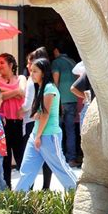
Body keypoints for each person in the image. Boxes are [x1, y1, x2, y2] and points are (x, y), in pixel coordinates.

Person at [15, 58, 77, 192]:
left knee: (60, 168)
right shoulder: (42, 87)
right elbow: (41, 113)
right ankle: (17, 200)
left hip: (48, 136)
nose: (31, 74)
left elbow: (45, 114)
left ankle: (78, 194)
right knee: (26, 170)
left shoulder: (49, 88)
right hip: (37, 136)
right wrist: (36, 133)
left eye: (35, 71)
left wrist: (37, 136)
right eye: (31, 71)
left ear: (43, 72)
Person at [20, 47, 53, 189]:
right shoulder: (47, 84)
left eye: (29, 63)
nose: (28, 66)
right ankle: (45, 187)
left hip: (32, 122)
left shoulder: (32, 81)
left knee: (31, 157)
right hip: (41, 122)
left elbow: (28, 104)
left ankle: (30, 188)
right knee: (46, 158)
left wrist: (18, 110)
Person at [0, 53, 27, 188]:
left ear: (11, 65)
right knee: (5, 159)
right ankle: (7, 188)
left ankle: (26, 188)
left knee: (22, 157)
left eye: (2, 63)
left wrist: (3, 92)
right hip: (3, 123)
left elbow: (24, 92)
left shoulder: (21, 77)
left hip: (20, 123)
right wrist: (16, 91)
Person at [51, 43, 79, 167]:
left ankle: (58, 157)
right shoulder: (73, 62)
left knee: (57, 130)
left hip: (61, 101)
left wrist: (55, 99)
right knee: (70, 130)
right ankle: (71, 158)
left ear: (57, 50)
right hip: (73, 100)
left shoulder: (56, 62)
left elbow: (56, 81)